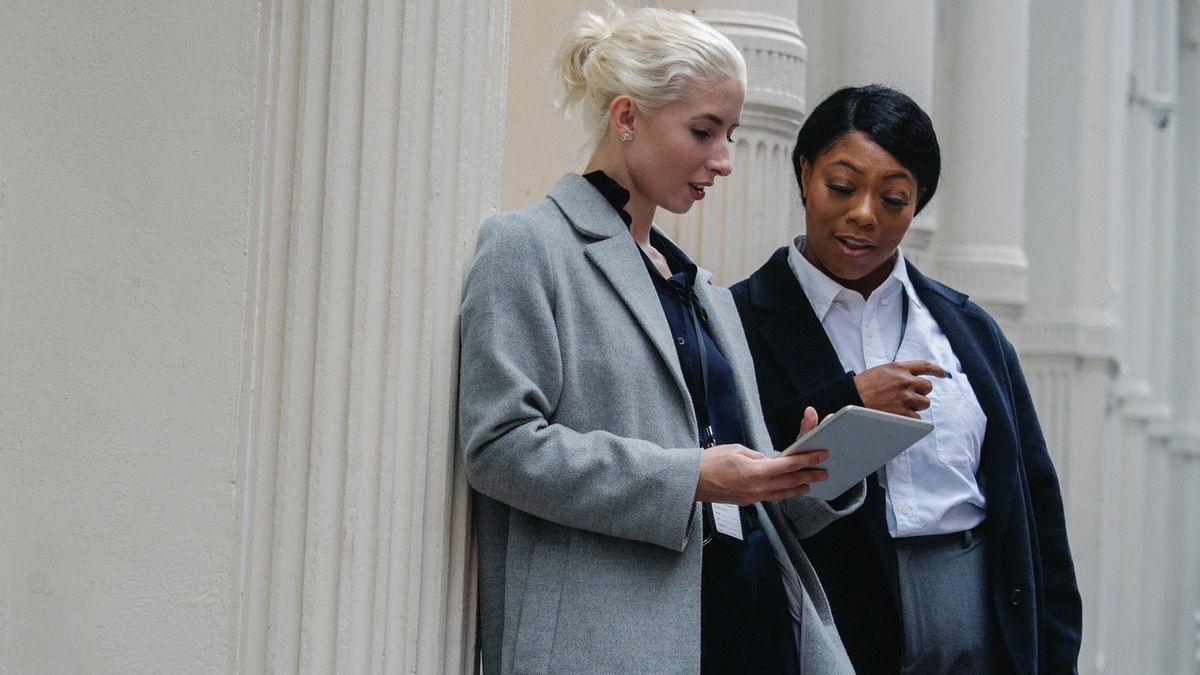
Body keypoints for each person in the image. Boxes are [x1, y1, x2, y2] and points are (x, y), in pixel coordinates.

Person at [457, 6, 862, 674]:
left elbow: (740, 497)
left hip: (756, 627)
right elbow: (499, 447)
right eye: (704, 131)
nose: (725, 161)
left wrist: (805, 473)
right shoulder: (528, 248)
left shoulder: (703, 291)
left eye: (729, 133)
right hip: (612, 642)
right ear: (626, 117)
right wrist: (690, 477)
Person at [731, 84, 1083, 673]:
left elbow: (1034, 506)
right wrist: (852, 401)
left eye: (893, 198)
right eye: (841, 187)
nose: (863, 214)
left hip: (982, 612)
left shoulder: (969, 330)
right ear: (803, 173)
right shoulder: (736, 318)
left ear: (917, 203)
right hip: (829, 625)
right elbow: (726, 465)